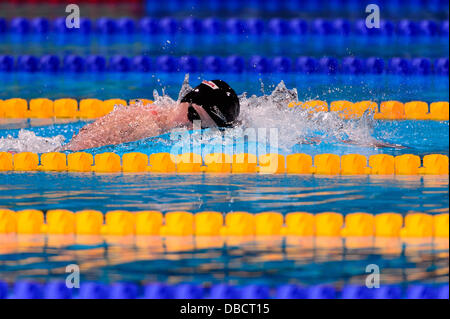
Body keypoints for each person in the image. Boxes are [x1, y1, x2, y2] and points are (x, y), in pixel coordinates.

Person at [62, 80, 240, 151]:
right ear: (183, 100)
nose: (190, 127)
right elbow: (73, 150)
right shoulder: (144, 123)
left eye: (202, 127)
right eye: (193, 115)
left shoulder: (166, 126)